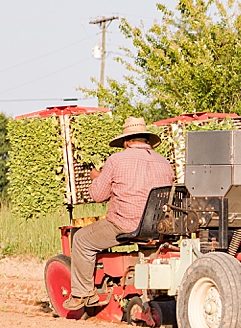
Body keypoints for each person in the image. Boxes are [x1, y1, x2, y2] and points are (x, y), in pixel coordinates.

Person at [66, 116, 174, 311]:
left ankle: (82, 294)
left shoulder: (116, 160)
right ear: (147, 140)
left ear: (126, 141)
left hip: (125, 225)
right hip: (156, 227)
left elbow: (98, 195)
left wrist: (97, 178)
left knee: (81, 240)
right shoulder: (164, 163)